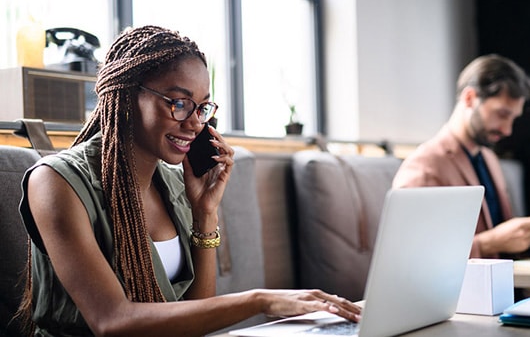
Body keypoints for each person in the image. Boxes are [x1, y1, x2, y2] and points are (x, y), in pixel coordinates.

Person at [16, 25, 361, 336]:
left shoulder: (172, 182)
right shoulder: (56, 182)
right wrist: (260, 301)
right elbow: (112, 322)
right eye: (179, 103)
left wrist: (204, 215)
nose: (195, 122)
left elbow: (193, 317)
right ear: (124, 97)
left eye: (202, 107)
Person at [392, 54, 530, 259]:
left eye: (513, 118)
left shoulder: (489, 159)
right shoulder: (425, 166)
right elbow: (415, 254)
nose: (507, 130)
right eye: (502, 114)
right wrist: (487, 243)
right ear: (469, 98)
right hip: (464, 290)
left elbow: (498, 236)